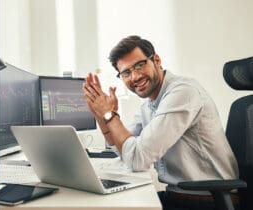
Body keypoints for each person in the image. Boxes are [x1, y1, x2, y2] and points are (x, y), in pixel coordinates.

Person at [83, 35, 239, 210]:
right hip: (179, 197)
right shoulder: (149, 104)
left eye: (139, 65)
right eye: (126, 72)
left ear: (156, 60)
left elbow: (136, 158)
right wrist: (102, 116)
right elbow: (124, 150)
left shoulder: (183, 92)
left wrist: (110, 115)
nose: (134, 76)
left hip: (208, 202)